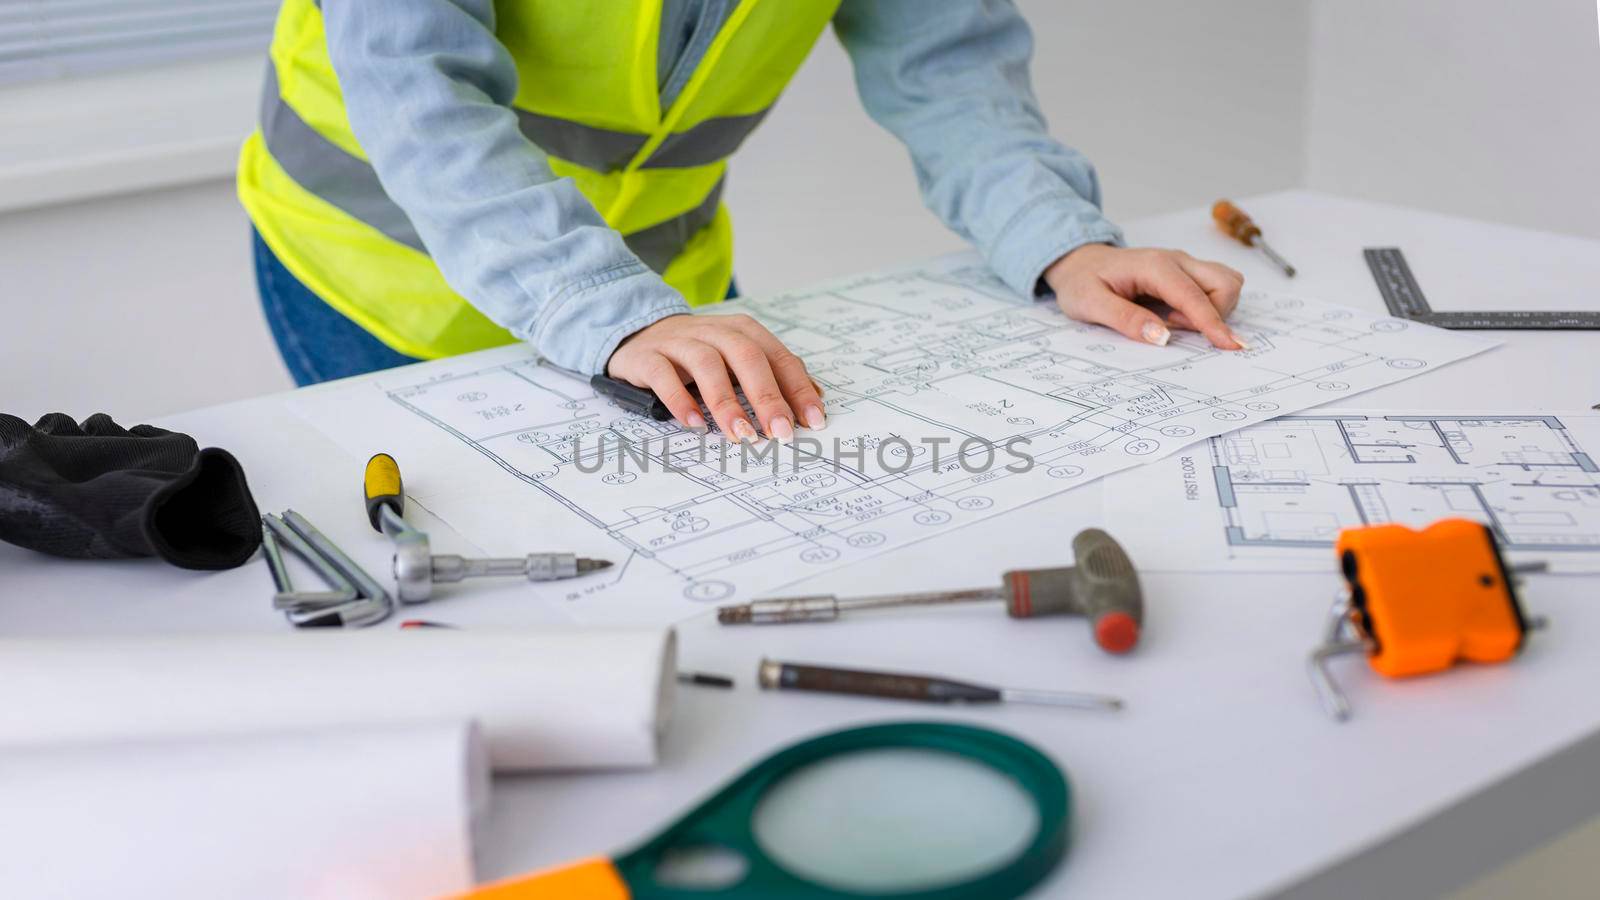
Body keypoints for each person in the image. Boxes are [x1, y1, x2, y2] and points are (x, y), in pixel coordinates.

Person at [238, 0, 1247, 443]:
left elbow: (947, 65)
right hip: (373, 281)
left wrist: (1061, 241)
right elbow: (416, 87)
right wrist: (604, 309)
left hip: (664, 296)